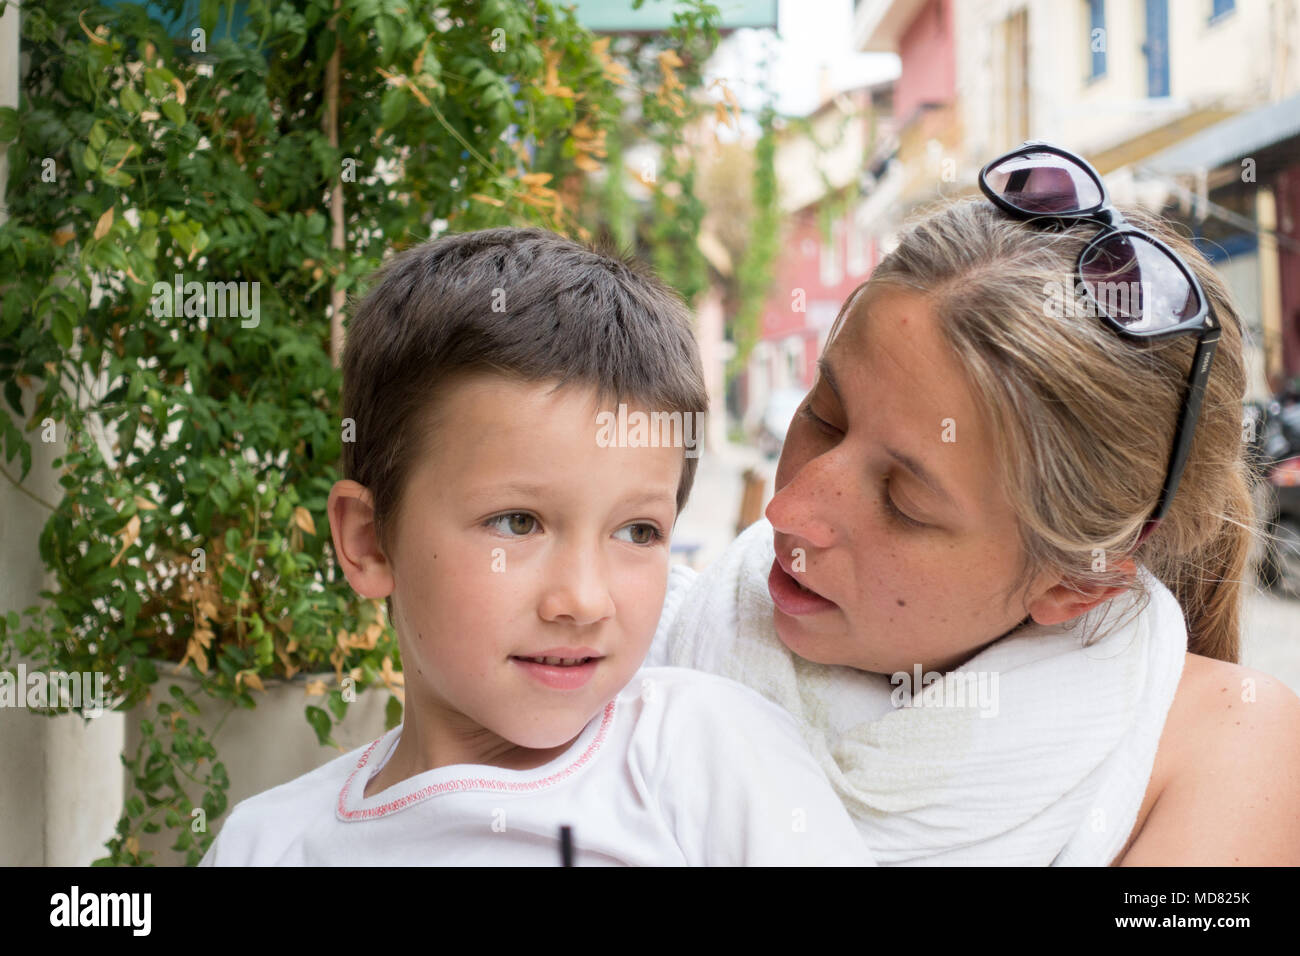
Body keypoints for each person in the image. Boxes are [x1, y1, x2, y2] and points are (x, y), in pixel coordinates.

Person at [650, 144, 1300, 865]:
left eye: (904, 502)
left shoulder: (1229, 745)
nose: (789, 510)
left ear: (1076, 580)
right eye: (825, 415)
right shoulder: (640, 636)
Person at [199, 227, 871, 866]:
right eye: (517, 523)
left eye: (637, 532)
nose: (582, 600)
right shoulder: (265, 846)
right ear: (370, 541)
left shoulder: (705, 754)